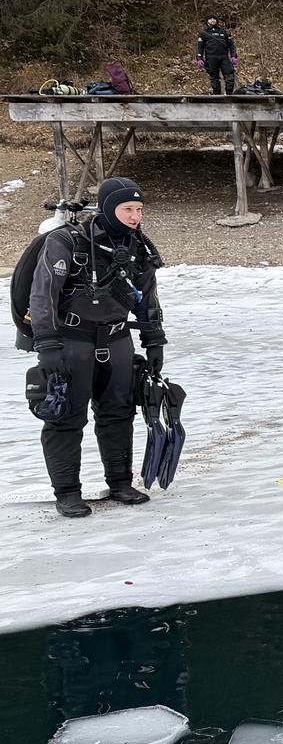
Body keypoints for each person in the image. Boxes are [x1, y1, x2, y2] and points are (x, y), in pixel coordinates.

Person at [26, 177, 169, 518]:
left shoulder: (137, 247)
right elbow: (43, 293)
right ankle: (67, 493)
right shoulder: (67, 241)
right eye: (127, 209)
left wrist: (154, 341)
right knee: (66, 417)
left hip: (117, 340)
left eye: (139, 209)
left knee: (119, 413)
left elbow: (147, 297)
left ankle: (120, 483)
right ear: (107, 208)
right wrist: (46, 343)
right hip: (72, 341)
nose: (135, 216)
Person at [196, 18, 237, 94]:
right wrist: (199, 58)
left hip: (224, 57)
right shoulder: (204, 33)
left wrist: (234, 56)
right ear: (207, 21)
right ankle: (217, 96)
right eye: (210, 19)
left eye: (214, 19)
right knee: (214, 78)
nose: (213, 20)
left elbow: (231, 45)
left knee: (230, 77)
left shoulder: (223, 32)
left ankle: (229, 95)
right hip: (211, 58)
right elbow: (200, 47)